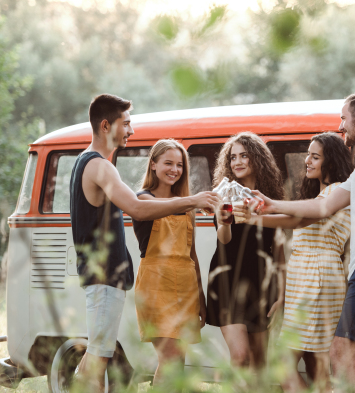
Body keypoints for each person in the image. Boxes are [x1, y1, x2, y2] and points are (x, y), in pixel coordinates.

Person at [253, 86, 355, 392]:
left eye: (343, 118)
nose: (340, 125)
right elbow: (322, 206)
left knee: (341, 353)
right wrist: (272, 204)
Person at [69, 94, 219, 392]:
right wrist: (193, 199)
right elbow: (137, 208)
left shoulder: (87, 163)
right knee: (99, 355)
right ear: (105, 125)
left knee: (96, 351)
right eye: (126, 124)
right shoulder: (100, 166)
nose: (131, 131)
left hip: (104, 275)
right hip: (104, 274)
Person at [240, 132, 354, 393]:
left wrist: (265, 208)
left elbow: (302, 220)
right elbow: (295, 221)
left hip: (315, 275)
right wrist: (250, 219)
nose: (307, 161)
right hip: (314, 275)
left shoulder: (337, 191)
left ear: (332, 161)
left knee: (284, 363)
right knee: (316, 364)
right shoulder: (326, 193)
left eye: (315, 157)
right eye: (308, 155)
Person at [206, 131, 286, 370]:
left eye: (244, 156)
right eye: (233, 157)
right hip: (227, 280)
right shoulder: (224, 195)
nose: (237, 162)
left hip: (262, 281)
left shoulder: (272, 200)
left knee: (260, 362)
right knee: (241, 358)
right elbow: (224, 240)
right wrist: (224, 222)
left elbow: (279, 252)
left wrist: (282, 295)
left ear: (258, 159)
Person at [132, 139, 206, 389]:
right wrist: (193, 200)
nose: (174, 170)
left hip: (185, 288)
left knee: (179, 360)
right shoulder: (143, 198)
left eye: (179, 165)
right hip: (156, 285)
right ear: (153, 165)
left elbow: (192, 254)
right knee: (170, 358)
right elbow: (149, 208)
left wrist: (201, 298)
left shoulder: (186, 204)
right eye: (168, 163)